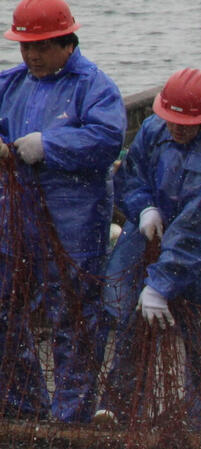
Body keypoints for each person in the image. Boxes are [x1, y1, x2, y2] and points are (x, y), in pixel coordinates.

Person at [103, 67, 201, 430]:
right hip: (146, 243)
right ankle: (118, 415)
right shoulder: (154, 128)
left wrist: (161, 284)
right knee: (129, 332)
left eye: (187, 123)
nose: (177, 128)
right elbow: (130, 176)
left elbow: (197, 231)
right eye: (171, 120)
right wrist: (143, 208)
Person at [0, 0, 121, 421]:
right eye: (24, 47)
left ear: (68, 43)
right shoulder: (12, 82)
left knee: (73, 315)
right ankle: (23, 405)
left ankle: (70, 416)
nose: (31, 55)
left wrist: (48, 146)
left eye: (42, 47)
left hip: (73, 222)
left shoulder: (94, 86)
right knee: (5, 307)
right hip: (16, 217)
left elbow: (107, 139)